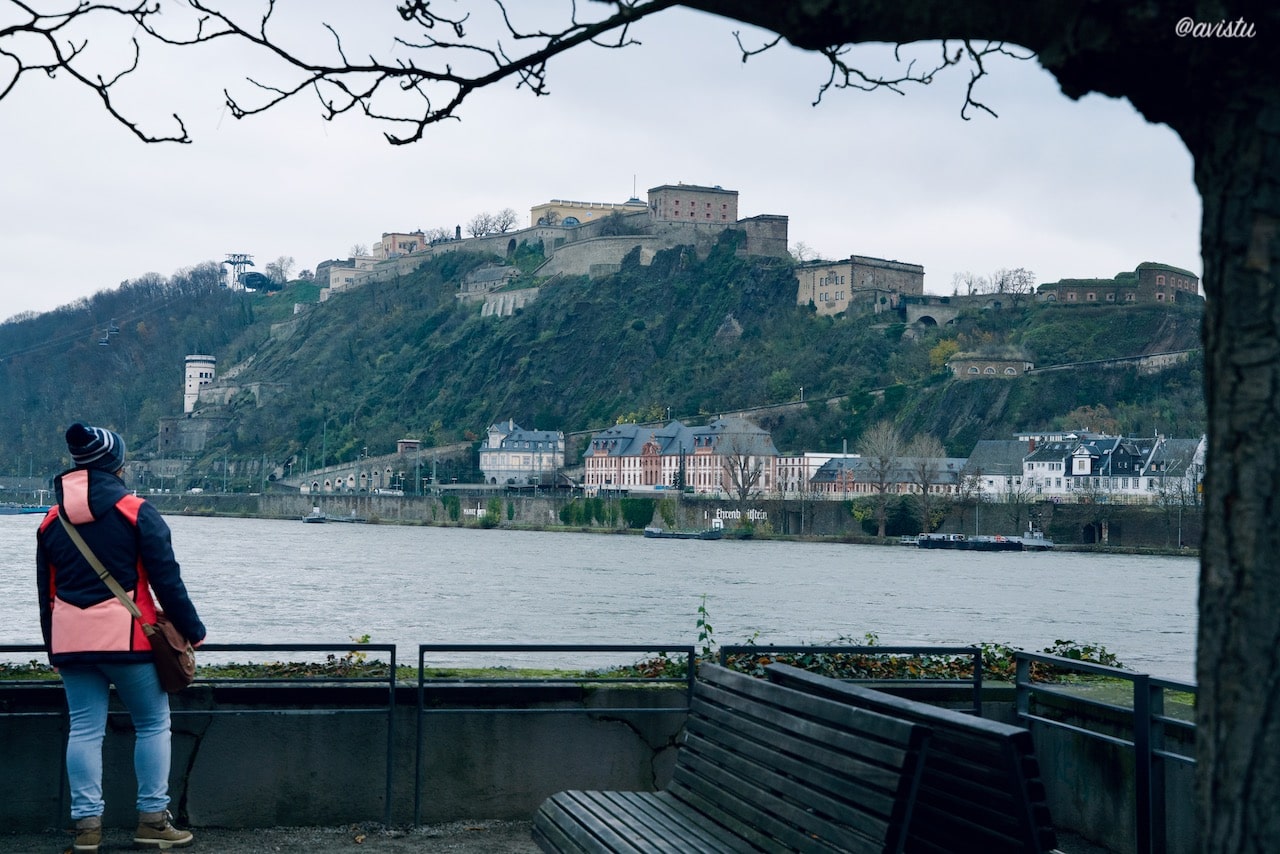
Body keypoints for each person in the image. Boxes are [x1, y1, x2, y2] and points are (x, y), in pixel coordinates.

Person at [36, 423, 206, 853]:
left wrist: (53, 649)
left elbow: (47, 594)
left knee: (85, 730)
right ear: (117, 465)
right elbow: (168, 582)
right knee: (152, 723)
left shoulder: (51, 522)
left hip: (72, 642)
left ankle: (87, 829)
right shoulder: (137, 511)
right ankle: (152, 820)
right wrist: (193, 632)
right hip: (128, 640)